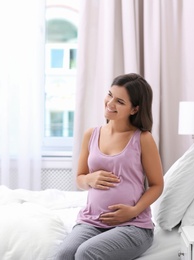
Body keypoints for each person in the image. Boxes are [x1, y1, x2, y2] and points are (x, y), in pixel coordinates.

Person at [55, 73, 164, 260]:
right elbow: (80, 179)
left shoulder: (143, 139)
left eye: (120, 101)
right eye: (110, 95)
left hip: (133, 225)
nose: (110, 103)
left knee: (86, 253)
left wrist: (134, 211)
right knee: (63, 255)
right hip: (91, 221)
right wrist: (89, 179)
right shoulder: (92, 134)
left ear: (134, 109)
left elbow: (157, 185)